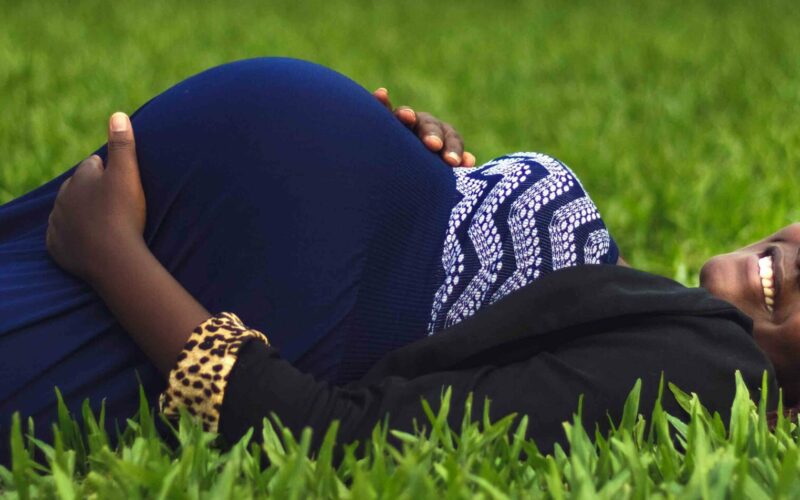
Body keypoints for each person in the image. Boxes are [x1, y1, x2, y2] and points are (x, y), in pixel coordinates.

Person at [0, 58, 786, 458]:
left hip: (131, 267)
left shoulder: (716, 370)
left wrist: (112, 255)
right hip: (165, 220)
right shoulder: (683, 326)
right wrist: (435, 178)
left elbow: (341, 439)